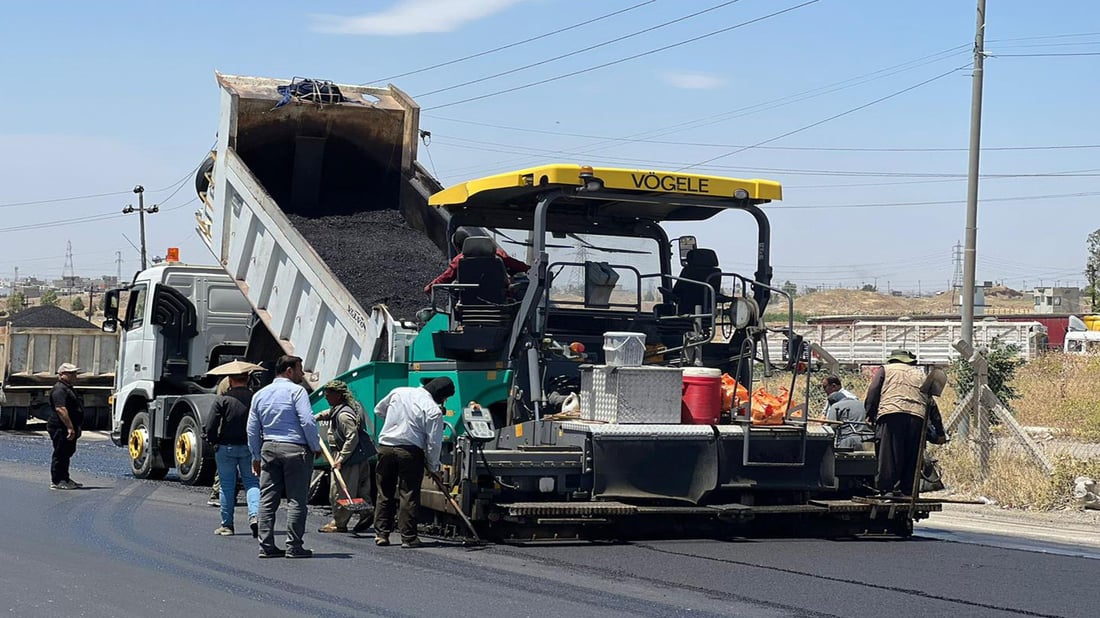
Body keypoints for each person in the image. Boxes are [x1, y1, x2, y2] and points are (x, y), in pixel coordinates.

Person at [247, 355, 322, 559]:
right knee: (297, 500)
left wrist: (255, 455)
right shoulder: (297, 392)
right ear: (289, 371)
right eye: (299, 369)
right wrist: (315, 445)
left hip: (269, 448)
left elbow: (252, 429)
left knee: (267, 499)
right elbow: (307, 421)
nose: (302, 374)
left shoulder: (260, 394)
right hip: (295, 449)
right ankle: (294, 546)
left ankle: (266, 545)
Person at [372, 377, 455, 548]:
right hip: (410, 452)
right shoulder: (433, 410)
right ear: (441, 396)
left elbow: (378, 410)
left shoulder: (399, 392)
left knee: (384, 491)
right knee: (408, 494)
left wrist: (395, 422)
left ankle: (381, 534)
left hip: (386, 447)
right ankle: (408, 538)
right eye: (446, 398)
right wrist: (433, 467)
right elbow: (433, 443)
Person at [864, 349, 928, 497]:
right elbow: (930, 401)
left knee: (889, 453)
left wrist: (870, 414)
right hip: (917, 416)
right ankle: (908, 490)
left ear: (892, 359)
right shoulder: (919, 374)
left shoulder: (885, 369)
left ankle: (888, 490)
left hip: (891, 414)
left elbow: (873, 391)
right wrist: (938, 430)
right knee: (911, 454)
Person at [205, 371, 260, 538]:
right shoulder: (255, 398)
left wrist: (213, 441)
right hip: (249, 447)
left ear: (229, 379)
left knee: (227, 486)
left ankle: (227, 526)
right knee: (252, 483)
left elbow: (211, 426)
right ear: (248, 379)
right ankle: (255, 515)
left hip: (226, 447)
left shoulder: (222, 400)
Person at [316, 380, 374, 534]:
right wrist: (316, 417)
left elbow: (352, 437)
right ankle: (365, 512)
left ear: (339, 395)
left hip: (348, 457)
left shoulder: (343, 416)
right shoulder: (350, 407)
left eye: (329, 395)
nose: (326, 397)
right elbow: (330, 413)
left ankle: (339, 523)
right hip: (360, 456)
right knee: (360, 489)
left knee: (340, 491)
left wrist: (341, 458)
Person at [423, 227, 529, 295]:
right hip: (501, 298)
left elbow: (446, 277)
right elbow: (518, 266)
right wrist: (528, 268)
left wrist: (430, 287)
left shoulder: (459, 260)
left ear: (457, 247)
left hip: (469, 301)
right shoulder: (498, 254)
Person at [48, 363, 84, 490]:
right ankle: (57, 481)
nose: (75, 375)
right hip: (60, 427)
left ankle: (65, 478)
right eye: (71, 373)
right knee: (61, 452)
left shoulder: (68, 387)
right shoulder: (59, 389)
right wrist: (69, 427)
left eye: (75, 373)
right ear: (62, 374)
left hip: (69, 426)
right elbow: (60, 409)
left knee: (67, 452)